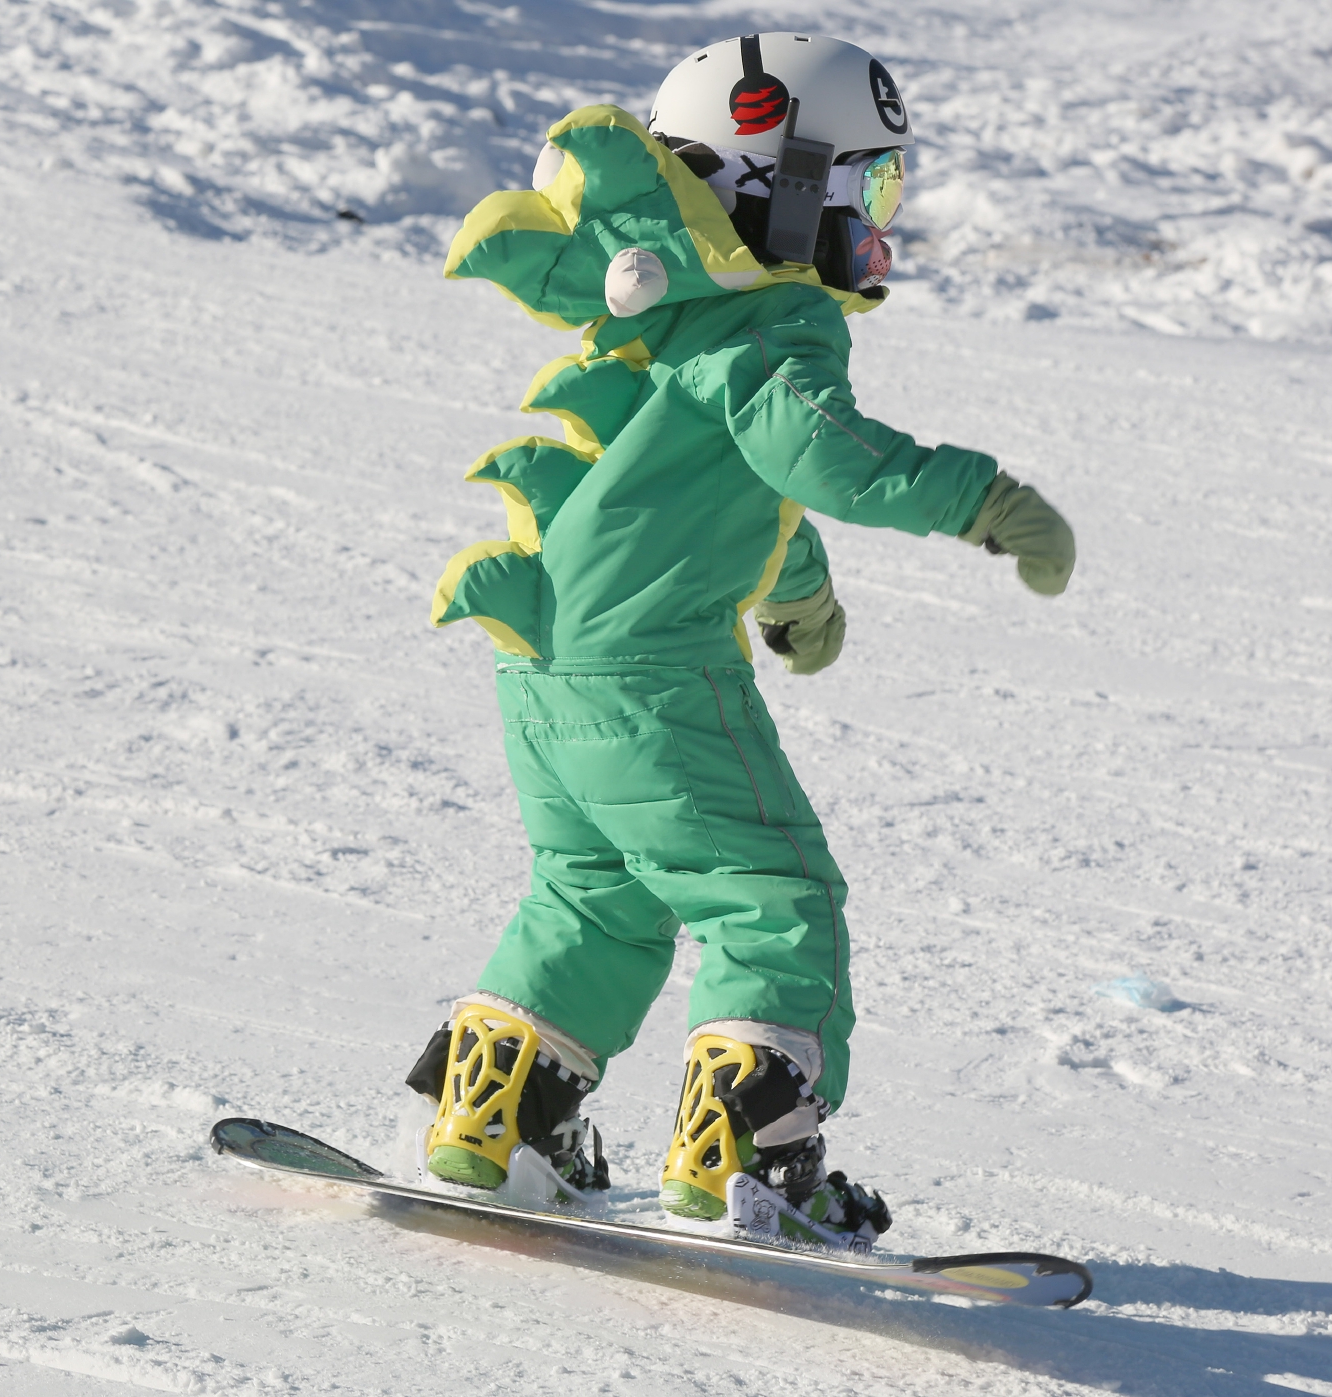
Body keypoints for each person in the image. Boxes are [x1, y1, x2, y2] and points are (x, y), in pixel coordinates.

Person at [401, 33, 1075, 1245]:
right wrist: (986, 502)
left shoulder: (684, 329)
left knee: (593, 896)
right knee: (774, 898)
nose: (876, 222)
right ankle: (746, 1162)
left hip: (547, 669)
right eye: (866, 189)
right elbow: (818, 456)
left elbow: (715, 492)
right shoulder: (772, 330)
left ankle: (496, 1115)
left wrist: (793, 597)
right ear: (788, 188)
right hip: (660, 676)